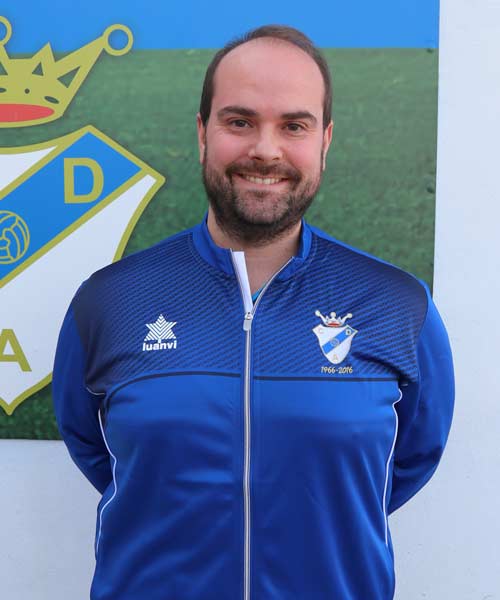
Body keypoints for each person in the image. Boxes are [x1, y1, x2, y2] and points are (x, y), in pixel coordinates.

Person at [53, 24, 454, 600]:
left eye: (294, 125)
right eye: (239, 122)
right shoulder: (110, 300)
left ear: (325, 140)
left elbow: (408, 460)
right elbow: (96, 449)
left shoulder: (396, 304)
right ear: (203, 133)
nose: (266, 149)